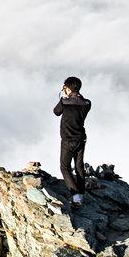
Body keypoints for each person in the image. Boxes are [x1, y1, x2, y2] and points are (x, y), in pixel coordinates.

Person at [53, 77, 92, 205]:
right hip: (80, 139)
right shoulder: (87, 103)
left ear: (68, 88)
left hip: (67, 140)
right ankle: (81, 194)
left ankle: (75, 196)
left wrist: (63, 97)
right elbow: (80, 102)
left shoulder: (64, 102)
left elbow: (56, 112)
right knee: (79, 166)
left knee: (65, 167)